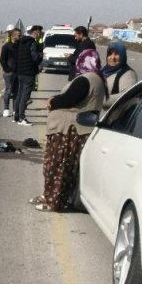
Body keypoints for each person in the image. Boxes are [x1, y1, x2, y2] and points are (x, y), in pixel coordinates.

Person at [32, 49, 106, 212]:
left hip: (68, 131)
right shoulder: (98, 79)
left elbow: (68, 100)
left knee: (59, 167)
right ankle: (50, 196)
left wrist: (53, 101)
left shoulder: (86, 80)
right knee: (64, 168)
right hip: (76, 129)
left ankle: (54, 201)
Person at [12, 24, 43, 125]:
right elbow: (35, 58)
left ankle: (16, 116)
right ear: (37, 33)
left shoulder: (21, 42)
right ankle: (22, 117)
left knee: (19, 94)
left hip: (20, 72)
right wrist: (41, 56)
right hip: (29, 72)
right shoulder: (32, 43)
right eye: (40, 33)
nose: (41, 35)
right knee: (25, 95)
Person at [102, 41, 137, 108]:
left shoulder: (128, 74)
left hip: (112, 116)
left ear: (122, 55)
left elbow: (126, 95)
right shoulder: (105, 70)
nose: (112, 57)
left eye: (116, 54)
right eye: (110, 54)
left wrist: (99, 99)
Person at [0, 24, 20, 117]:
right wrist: (7, 69)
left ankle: (15, 110)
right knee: (8, 90)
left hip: (18, 72)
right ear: (13, 35)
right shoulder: (6, 47)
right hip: (9, 73)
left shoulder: (20, 46)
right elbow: (2, 60)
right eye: (18, 35)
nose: (20, 37)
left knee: (16, 92)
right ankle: (6, 109)